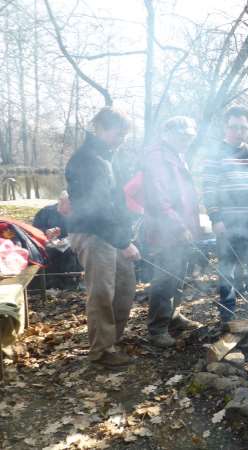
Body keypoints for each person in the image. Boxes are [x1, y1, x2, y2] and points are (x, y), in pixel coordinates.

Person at [66, 107, 141, 369]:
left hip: (112, 233)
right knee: (101, 293)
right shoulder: (86, 160)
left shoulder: (108, 157)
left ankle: (112, 340)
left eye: (124, 135)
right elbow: (96, 211)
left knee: (125, 285)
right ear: (99, 128)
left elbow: (116, 202)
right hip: (92, 233)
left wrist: (126, 234)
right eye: (118, 133)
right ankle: (101, 351)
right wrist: (124, 242)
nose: (121, 139)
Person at [202, 106, 248, 325]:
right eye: (234, 127)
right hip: (228, 223)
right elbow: (209, 189)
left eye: (243, 127)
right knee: (227, 271)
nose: (238, 132)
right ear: (225, 127)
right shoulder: (214, 155)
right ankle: (227, 316)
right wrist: (215, 218)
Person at [142, 116, 202, 347]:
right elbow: (159, 199)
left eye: (190, 137)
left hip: (182, 228)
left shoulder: (177, 154)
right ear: (169, 134)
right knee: (165, 278)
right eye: (183, 136)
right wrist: (179, 226)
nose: (187, 141)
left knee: (178, 275)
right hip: (166, 231)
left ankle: (173, 316)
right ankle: (157, 329)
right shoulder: (157, 157)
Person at [32, 191, 82, 289]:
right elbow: (34, 231)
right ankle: (50, 284)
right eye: (66, 206)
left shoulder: (78, 214)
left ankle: (71, 283)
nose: (68, 211)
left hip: (70, 248)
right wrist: (46, 232)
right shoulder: (45, 212)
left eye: (71, 207)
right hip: (48, 246)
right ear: (60, 201)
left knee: (71, 252)